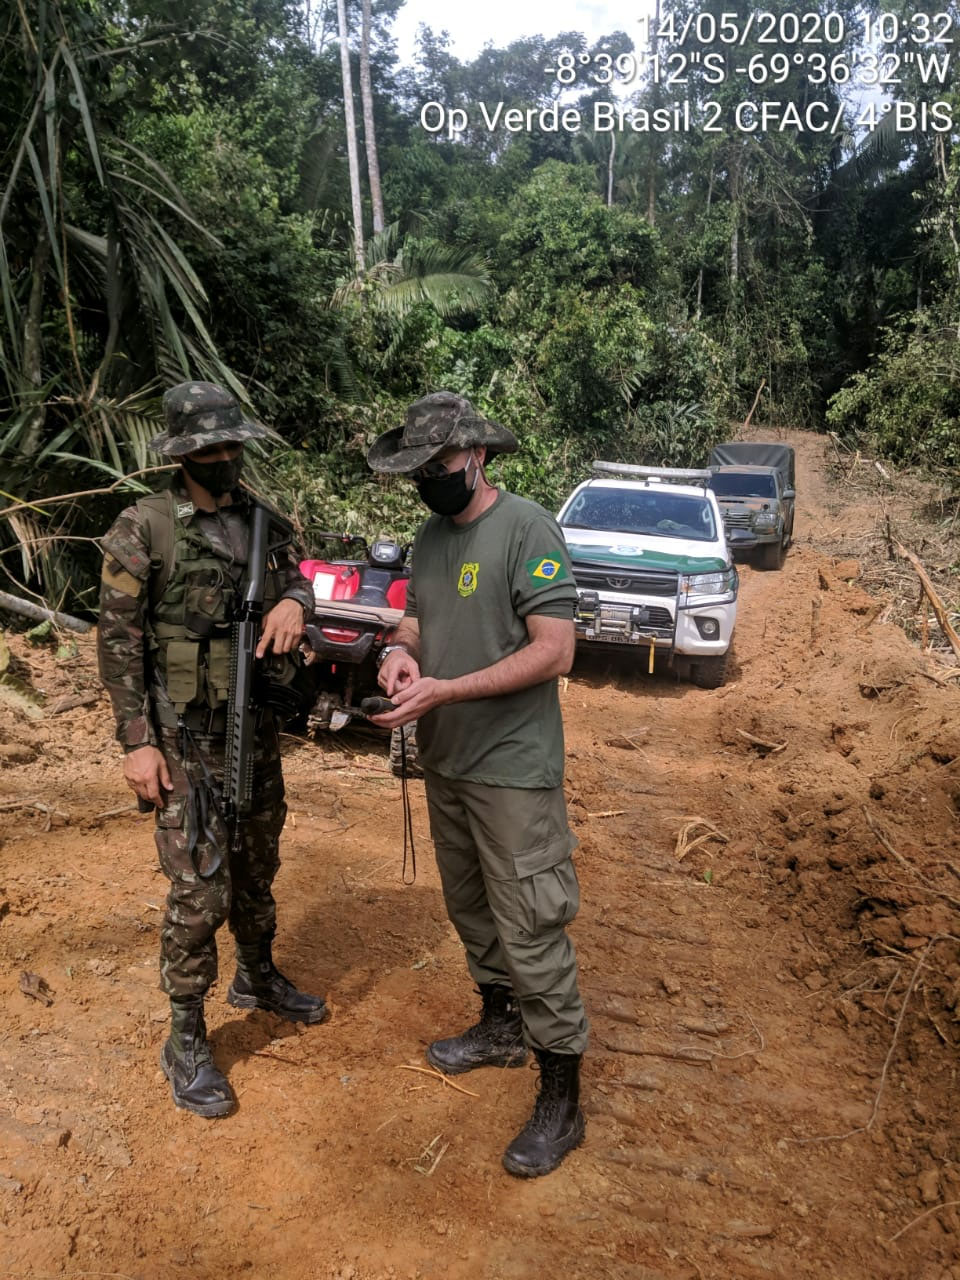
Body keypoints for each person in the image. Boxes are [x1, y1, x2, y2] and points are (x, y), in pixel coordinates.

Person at [366, 391, 588, 1178]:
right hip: (448, 762)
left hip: (513, 769)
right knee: (472, 910)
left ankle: (562, 1093)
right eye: (419, 470)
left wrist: (448, 690)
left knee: (531, 922)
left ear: (479, 456)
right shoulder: (431, 539)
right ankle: (500, 1026)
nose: (431, 478)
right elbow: (416, 621)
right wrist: (400, 655)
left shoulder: (528, 529)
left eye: (442, 464)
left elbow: (555, 649)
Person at [98, 381, 327, 1119]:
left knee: (258, 865)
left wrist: (294, 602)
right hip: (183, 739)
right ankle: (186, 1037)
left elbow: (301, 583)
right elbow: (118, 644)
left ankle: (256, 975)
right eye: (212, 447)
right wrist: (137, 743)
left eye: (233, 444)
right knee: (201, 890)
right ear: (184, 453)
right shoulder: (145, 528)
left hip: (254, 730)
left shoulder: (263, 521)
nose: (226, 457)